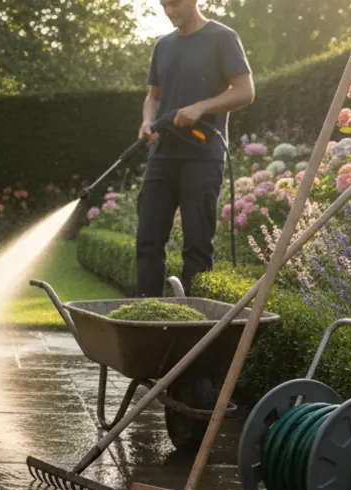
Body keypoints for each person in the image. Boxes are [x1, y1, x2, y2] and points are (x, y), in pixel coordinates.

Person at [136, 0, 253, 298]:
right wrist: (148, 122)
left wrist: (201, 107)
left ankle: (194, 326)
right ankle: (147, 318)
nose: (169, 11)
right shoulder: (163, 46)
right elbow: (153, 96)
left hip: (203, 157)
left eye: (174, 4)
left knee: (197, 245)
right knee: (148, 241)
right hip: (161, 156)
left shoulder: (222, 38)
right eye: (164, 6)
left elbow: (245, 91)